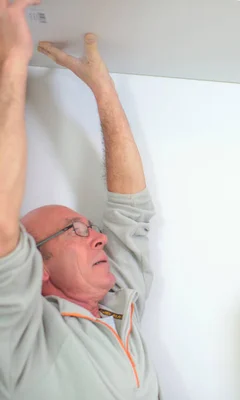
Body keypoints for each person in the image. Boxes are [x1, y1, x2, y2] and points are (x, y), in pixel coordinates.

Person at [0, 1, 160, 398]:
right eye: (76, 230)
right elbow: (3, 230)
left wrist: (102, 89)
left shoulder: (116, 303)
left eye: (90, 228)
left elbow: (131, 209)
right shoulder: (23, 336)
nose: (100, 237)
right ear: (38, 267)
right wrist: (14, 60)